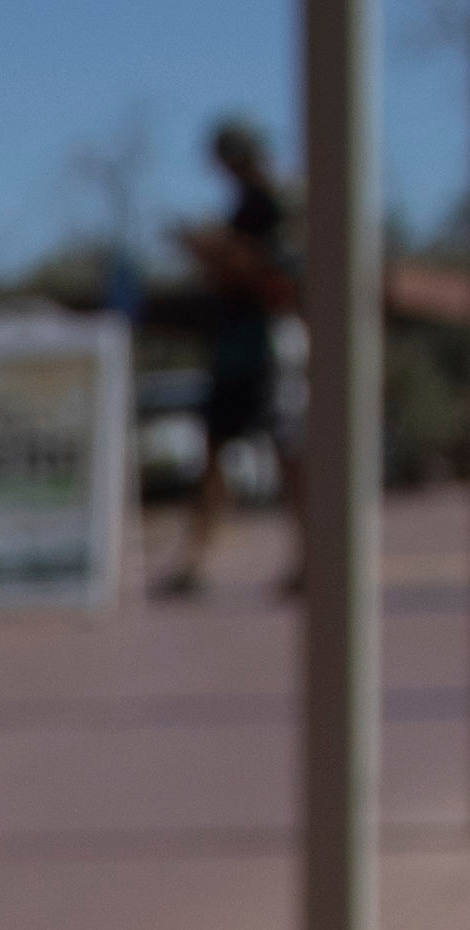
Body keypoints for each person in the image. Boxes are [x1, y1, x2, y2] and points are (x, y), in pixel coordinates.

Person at [160, 120, 301, 600]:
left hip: (264, 349)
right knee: (218, 454)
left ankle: (309, 558)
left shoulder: (270, 204)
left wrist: (218, 252)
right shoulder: (246, 205)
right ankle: (194, 561)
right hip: (235, 349)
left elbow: (267, 271)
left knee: (287, 456)